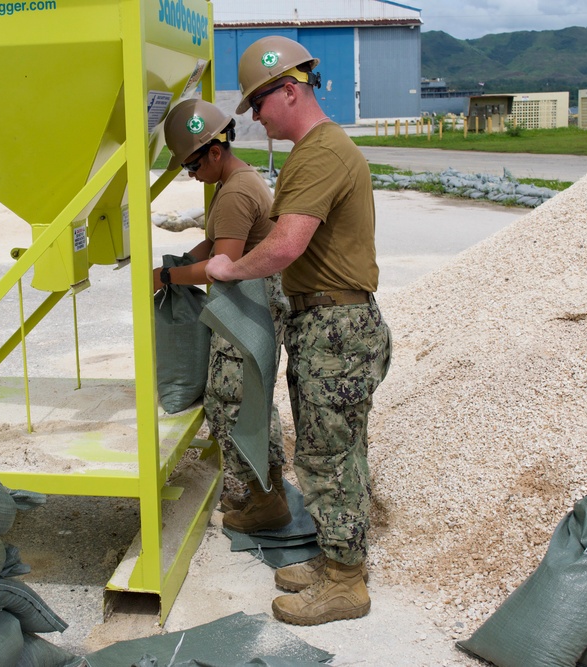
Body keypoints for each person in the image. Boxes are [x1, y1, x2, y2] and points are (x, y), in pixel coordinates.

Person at [204, 36, 392, 627]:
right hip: (330, 324)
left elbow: (285, 246)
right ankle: (334, 557)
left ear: (289, 90)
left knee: (329, 456)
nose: (254, 117)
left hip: (336, 330)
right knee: (330, 449)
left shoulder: (320, 153)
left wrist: (228, 267)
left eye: (258, 103)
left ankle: (344, 583)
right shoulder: (318, 151)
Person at [153, 98, 292, 534]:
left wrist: (171, 276)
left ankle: (265, 501)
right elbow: (209, 247)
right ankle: (265, 491)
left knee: (233, 400)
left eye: (192, 166)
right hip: (247, 303)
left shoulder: (234, 194)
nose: (191, 174)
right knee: (245, 396)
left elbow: (221, 267)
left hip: (246, 305)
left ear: (215, 151)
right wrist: (169, 268)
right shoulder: (234, 182)